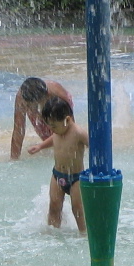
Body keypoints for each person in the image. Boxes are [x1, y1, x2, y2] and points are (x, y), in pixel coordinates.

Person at [29, 96, 89, 233]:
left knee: (77, 209)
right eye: (49, 125)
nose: (51, 129)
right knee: (54, 206)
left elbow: (94, 146)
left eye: (54, 126)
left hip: (76, 178)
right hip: (57, 175)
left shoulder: (78, 133)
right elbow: (53, 139)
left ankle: (84, 233)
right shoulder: (58, 131)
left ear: (67, 120)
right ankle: (52, 233)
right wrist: (40, 146)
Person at [9, 77, 74, 159]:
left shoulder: (58, 95)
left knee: (64, 136)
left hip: (57, 103)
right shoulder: (22, 98)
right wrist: (14, 159)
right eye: (29, 106)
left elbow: (71, 127)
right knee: (47, 137)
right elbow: (18, 130)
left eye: (31, 106)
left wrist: (40, 146)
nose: (30, 107)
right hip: (38, 102)